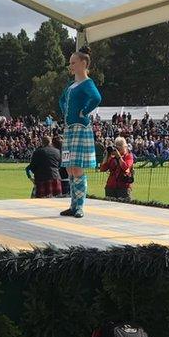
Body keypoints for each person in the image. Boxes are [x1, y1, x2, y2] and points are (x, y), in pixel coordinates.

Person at [58, 47, 102, 219]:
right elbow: (62, 100)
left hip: (79, 128)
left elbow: (96, 98)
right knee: (69, 168)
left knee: (77, 168)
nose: (71, 66)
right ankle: (73, 204)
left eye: (73, 63)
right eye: (70, 63)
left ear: (83, 63)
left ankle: (80, 206)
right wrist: (65, 111)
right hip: (69, 129)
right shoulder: (71, 85)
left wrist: (84, 111)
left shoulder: (87, 83)